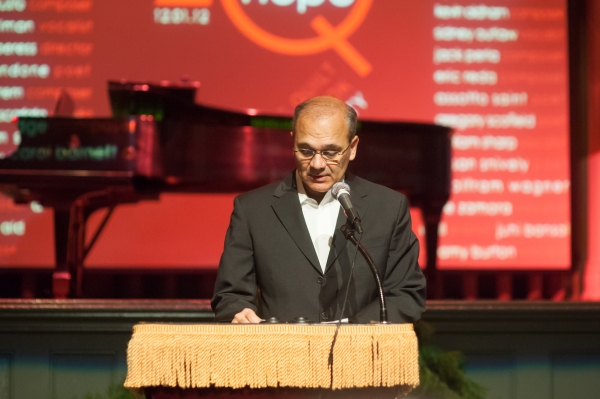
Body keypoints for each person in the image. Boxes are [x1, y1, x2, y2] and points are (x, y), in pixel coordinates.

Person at [211, 96, 426, 324]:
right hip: (280, 353)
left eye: (330, 153)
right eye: (306, 151)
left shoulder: (389, 208)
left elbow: (406, 295)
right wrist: (238, 312)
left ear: (352, 148)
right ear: (292, 142)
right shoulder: (253, 210)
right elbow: (230, 296)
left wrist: (348, 330)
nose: (317, 164)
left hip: (360, 353)